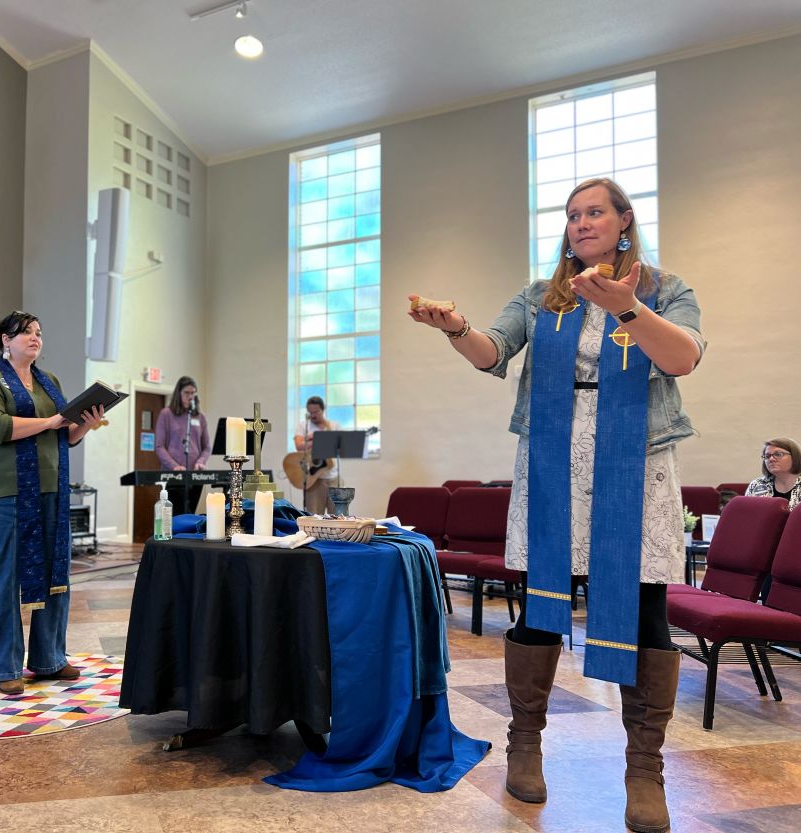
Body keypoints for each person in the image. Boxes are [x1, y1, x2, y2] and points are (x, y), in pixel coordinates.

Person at [408, 177, 703, 833]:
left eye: (594, 212)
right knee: (541, 604)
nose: (580, 223)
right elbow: (493, 351)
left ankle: (644, 770)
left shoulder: (664, 287)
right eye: (572, 215)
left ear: (624, 222)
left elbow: (683, 357)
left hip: (638, 458)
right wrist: (457, 328)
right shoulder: (543, 296)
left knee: (646, 610)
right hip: (553, 459)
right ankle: (526, 741)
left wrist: (628, 308)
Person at [0, 311, 105, 695]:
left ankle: (49, 659)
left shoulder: (50, 381)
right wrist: (51, 422)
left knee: (54, 572)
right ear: (4, 340)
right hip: (1, 491)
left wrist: (85, 423)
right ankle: (2, 666)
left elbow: (67, 436)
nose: (34, 337)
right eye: (25, 332)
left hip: (49, 488)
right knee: (4, 577)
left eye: (39, 332)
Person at [154, 375, 211, 513]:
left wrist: (201, 461)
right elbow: (159, 446)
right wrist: (174, 466)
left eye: (193, 393)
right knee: (175, 515)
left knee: (190, 514)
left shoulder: (200, 416)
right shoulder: (166, 414)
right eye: (186, 393)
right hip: (173, 474)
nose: (190, 396)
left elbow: (207, 446)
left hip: (195, 475)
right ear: (178, 393)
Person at [294, 396, 340, 515]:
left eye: (316, 412)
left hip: (333, 476)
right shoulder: (303, 426)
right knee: (313, 516)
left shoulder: (334, 426)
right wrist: (317, 440)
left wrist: (312, 440)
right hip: (313, 478)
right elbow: (299, 445)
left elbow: (340, 446)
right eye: (310, 412)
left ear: (323, 410)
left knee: (337, 515)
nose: (313, 415)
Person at [745, 437, 801, 510]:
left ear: (794, 456)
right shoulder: (757, 484)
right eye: (767, 456)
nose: (771, 459)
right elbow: (747, 514)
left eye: (778, 454)